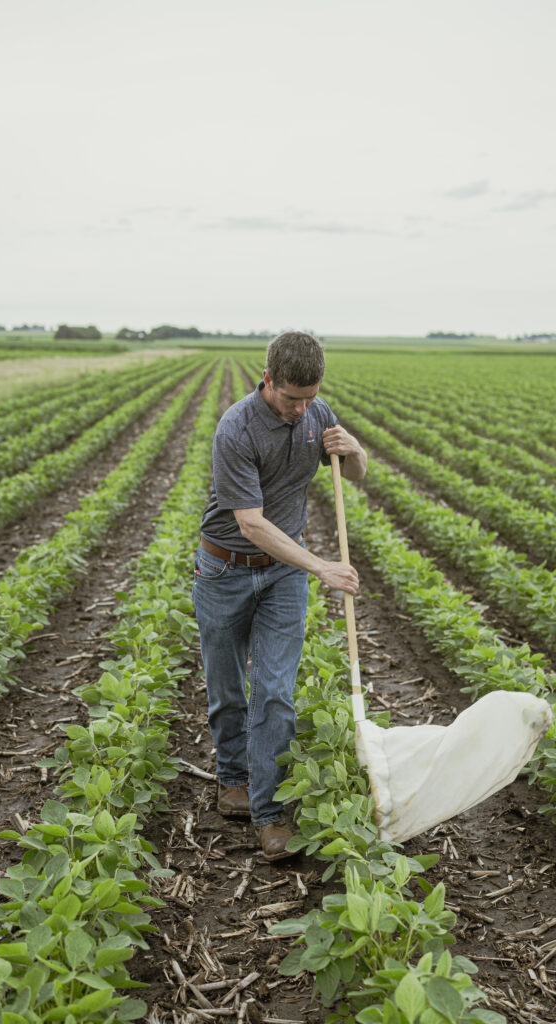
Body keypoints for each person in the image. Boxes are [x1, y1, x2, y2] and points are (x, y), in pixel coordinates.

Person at [193, 331, 367, 860]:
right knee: (228, 688)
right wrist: (322, 567)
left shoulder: (318, 412)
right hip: (225, 569)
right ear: (267, 379)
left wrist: (354, 450)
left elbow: (354, 475)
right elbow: (250, 524)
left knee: (274, 691)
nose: (302, 408)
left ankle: (270, 813)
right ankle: (233, 779)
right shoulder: (236, 428)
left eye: (311, 397)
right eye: (292, 398)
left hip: (284, 575)